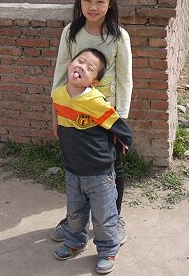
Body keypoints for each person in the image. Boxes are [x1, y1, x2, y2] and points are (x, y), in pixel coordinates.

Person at [50, 0, 133, 244]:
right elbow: (61, 73)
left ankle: (114, 217)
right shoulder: (71, 32)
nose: (93, 6)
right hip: (72, 116)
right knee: (75, 167)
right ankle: (75, 221)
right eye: (87, 0)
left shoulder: (119, 37)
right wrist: (56, 113)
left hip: (105, 116)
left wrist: (120, 121)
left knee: (113, 166)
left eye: (100, 1)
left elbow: (125, 80)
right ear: (80, 2)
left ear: (110, 4)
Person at [52, 48, 133, 274]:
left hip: (100, 173)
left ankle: (107, 250)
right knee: (75, 213)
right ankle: (75, 242)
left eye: (89, 68)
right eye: (79, 61)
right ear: (70, 64)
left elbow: (119, 127)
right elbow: (57, 110)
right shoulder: (59, 94)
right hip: (73, 169)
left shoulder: (95, 100)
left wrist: (124, 144)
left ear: (94, 82)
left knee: (104, 216)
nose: (82, 67)